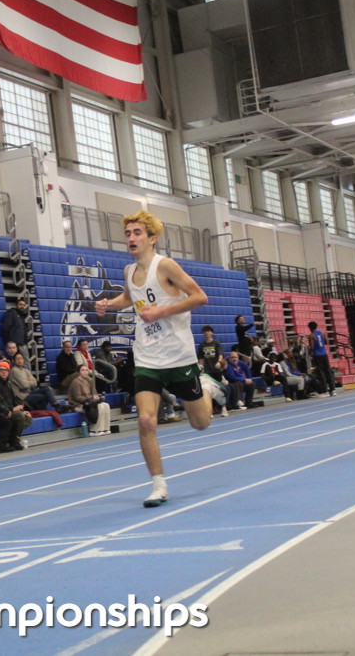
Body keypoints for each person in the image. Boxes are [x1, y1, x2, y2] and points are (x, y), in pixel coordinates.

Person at [95, 211, 213, 508]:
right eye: (128, 233)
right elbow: (130, 297)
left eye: (137, 233)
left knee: (200, 423)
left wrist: (160, 311)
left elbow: (200, 297)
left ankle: (208, 388)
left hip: (179, 357)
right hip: (147, 357)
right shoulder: (128, 271)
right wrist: (109, 304)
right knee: (146, 420)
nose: (131, 238)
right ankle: (158, 485)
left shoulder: (166, 266)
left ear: (152, 238)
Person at [0, 360, 33, 443]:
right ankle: (14, 440)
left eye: (5, 370)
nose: (3, 372)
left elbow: (13, 400)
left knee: (28, 418)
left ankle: (13, 436)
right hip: (1, 412)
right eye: (1, 370)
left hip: (10, 409)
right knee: (19, 416)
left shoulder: (8, 384)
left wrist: (20, 409)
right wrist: (12, 409)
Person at [68, 366, 111, 436]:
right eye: (82, 370)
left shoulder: (89, 380)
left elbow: (94, 393)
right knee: (100, 407)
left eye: (86, 370)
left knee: (106, 405)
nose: (85, 372)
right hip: (78, 404)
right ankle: (94, 430)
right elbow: (78, 398)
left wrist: (96, 397)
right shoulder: (76, 382)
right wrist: (91, 397)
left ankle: (105, 428)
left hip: (89, 402)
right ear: (79, 372)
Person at [308, 321, 337, 396]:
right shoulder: (322, 333)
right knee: (328, 371)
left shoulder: (311, 335)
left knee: (321, 373)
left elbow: (312, 347)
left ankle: (325, 391)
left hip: (317, 355)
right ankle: (333, 390)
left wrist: (309, 352)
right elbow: (326, 342)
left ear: (310, 328)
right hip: (324, 354)